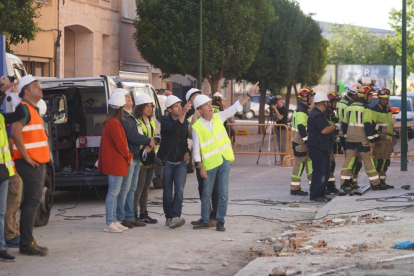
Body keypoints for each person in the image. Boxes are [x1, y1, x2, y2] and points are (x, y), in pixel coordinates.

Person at [192, 82, 260, 231]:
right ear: (200, 109)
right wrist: (200, 166)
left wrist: (249, 93)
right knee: (206, 193)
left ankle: (220, 221)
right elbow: (196, 150)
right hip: (209, 164)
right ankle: (204, 219)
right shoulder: (197, 127)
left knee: (223, 192)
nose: (210, 106)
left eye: (210, 103)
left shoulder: (218, 117)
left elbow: (235, 107)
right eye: (207, 104)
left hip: (224, 160)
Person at [11, 76, 49, 255]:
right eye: (36, 86)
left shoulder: (31, 110)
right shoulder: (25, 109)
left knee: (30, 201)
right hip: (31, 163)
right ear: (26, 91)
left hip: (37, 162)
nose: (40, 88)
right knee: (32, 202)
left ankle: (26, 241)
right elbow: (15, 132)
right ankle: (26, 243)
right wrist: (26, 157)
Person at [115, 89, 154, 229]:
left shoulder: (129, 116)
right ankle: (122, 217)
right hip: (130, 157)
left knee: (131, 189)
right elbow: (132, 136)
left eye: (129, 96)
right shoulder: (123, 117)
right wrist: (149, 140)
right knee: (126, 189)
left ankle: (130, 216)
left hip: (136, 156)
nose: (129, 98)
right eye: (126, 97)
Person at [339, 85, 388, 194]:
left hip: (350, 139)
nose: (372, 98)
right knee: (367, 159)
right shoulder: (366, 109)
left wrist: (346, 137)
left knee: (349, 160)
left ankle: (344, 183)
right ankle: (375, 183)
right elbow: (367, 125)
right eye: (371, 95)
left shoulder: (350, 107)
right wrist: (373, 139)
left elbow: (345, 124)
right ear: (365, 95)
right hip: (362, 139)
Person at [98, 92, 134, 233]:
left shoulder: (112, 122)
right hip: (116, 162)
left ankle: (114, 220)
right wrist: (129, 155)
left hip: (116, 161)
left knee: (115, 192)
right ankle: (110, 222)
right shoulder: (114, 123)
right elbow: (121, 144)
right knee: (113, 192)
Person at [185, 88, 219, 227]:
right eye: (195, 98)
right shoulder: (191, 117)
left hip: (213, 156)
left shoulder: (213, 112)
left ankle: (214, 216)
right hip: (200, 157)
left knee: (215, 188)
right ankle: (205, 214)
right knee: (202, 187)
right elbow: (190, 131)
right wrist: (194, 117)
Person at [159, 96, 192, 228]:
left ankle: (175, 216)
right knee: (167, 192)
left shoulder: (183, 122)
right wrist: (184, 113)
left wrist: (187, 151)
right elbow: (174, 129)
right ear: (169, 109)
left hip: (180, 163)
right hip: (167, 162)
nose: (179, 108)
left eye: (180, 105)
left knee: (179, 190)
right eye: (176, 106)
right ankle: (168, 216)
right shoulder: (165, 121)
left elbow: (184, 140)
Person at [307, 92, 339, 202]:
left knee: (324, 172)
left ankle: (320, 193)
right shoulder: (316, 115)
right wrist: (335, 127)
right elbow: (324, 130)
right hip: (318, 149)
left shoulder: (318, 114)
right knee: (319, 173)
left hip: (322, 148)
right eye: (326, 102)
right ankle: (316, 195)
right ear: (322, 103)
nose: (327, 104)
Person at [134, 93, 160, 224]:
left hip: (150, 158)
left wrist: (155, 141)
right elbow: (138, 138)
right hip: (141, 159)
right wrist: (148, 144)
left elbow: (154, 136)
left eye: (151, 106)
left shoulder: (151, 121)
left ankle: (144, 213)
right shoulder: (136, 121)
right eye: (147, 106)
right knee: (139, 187)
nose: (150, 109)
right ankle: (134, 214)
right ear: (140, 107)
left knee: (146, 188)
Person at [290, 87, 315, 196]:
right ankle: (295, 188)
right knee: (299, 165)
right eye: (311, 97)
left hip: (302, 142)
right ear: (305, 98)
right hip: (300, 142)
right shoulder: (301, 111)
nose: (312, 99)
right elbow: (301, 127)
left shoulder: (303, 109)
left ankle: (313, 185)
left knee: (309, 164)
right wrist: (307, 141)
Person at [371, 87, 396, 189]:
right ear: (379, 99)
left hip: (387, 140)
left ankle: (382, 182)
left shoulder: (388, 109)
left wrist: (393, 136)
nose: (385, 101)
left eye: (386, 99)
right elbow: (371, 125)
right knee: (379, 161)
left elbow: (390, 124)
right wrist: (375, 139)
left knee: (386, 162)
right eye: (383, 99)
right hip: (380, 140)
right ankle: (375, 183)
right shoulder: (374, 110)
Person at [336, 85, 361, 188]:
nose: (359, 96)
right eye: (358, 94)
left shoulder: (341, 101)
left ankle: (350, 181)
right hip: (347, 134)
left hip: (342, 133)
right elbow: (346, 122)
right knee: (351, 159)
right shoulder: (350, 104)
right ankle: (348, 181)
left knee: (350, 158)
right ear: (353, 94)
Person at [325, 92, 341, 194]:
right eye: (335, 102)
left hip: (329, 142)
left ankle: (331, 185)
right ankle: (326, 186)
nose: (336, 104)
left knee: (332, 164)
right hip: (324, 143)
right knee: (328, 165)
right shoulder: (325, 113)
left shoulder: (331, 113)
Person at [270, 95, 288, 165]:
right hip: (278, 128)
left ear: (281, 100)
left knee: (283, 145)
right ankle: (281, 159)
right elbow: (273, 116)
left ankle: (284, 159)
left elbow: (280, 117)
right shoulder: (276, 108)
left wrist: (275, 109)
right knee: (279, 145)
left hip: (283, 128)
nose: (277, 101)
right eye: (276, 100)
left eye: (278, 100)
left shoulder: (284, 109)